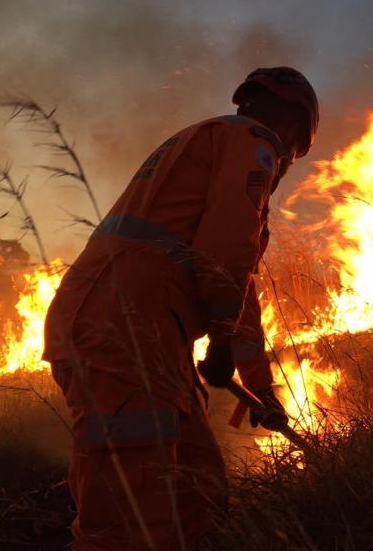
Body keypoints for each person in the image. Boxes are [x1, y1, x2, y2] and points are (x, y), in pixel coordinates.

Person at [43, 67, 319, 550]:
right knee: (130, 515)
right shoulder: (254, 143)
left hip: (141, 330)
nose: (286, 159)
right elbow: (226, 247)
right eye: (293, 149)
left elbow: (238, 284)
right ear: (293, 129)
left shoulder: (209, 142)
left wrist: (262, 388)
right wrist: (218, 335)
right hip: (125, 326)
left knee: (197, 488)